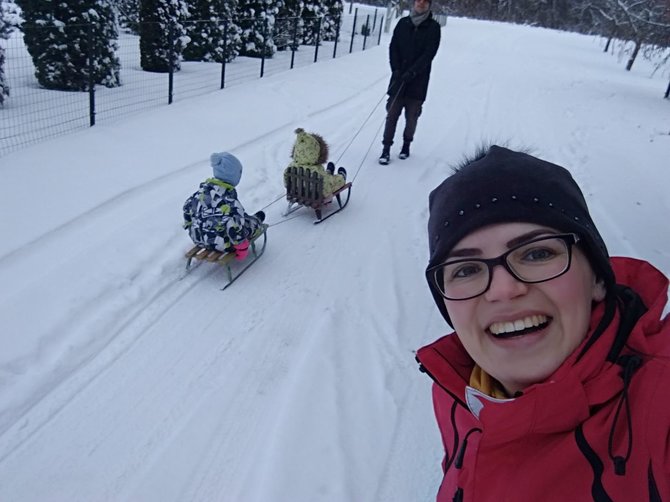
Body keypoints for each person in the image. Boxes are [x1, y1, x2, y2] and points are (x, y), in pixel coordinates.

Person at [416, 145, 669, 501]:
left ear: (597, 277)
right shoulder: (460, 392)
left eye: (537, 253)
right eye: (467, 269)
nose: (504, 290)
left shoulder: (658, 407)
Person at [379, 0, 441, 165]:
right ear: (413, 3)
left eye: (425, 1)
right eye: (418, 0)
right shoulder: (402, 23)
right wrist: (396, 69)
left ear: (429, 5)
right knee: (391, 115)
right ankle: (386, 149)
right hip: (398, 80)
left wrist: (413, 72)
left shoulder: (433, 28)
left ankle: (406, 145)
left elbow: (429, 54)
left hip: (417, 83)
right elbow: (393, 48)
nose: (421, 3)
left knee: (411, 117)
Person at [183, 152, 265, 260]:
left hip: (198, 239)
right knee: (247, 223)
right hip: (224, 246)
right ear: (233, 176)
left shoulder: (199, 194)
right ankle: (256, 220)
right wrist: (241, 247)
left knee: (230, 219)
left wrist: (192, 227)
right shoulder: (229, 201)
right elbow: (236, 230)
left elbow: (186, 208)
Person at [283, 128, 346, 197]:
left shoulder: (291, 167)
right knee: (334, 180)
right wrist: (339, 180)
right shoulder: (316, 170)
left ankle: (328, 173)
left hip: (297, 191)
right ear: (316, 153)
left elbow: (286, 183)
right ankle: (341, 176)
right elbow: (326, 189)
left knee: (321, 177)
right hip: (315, 194)